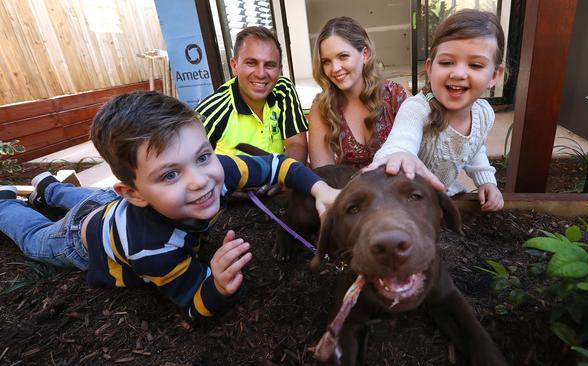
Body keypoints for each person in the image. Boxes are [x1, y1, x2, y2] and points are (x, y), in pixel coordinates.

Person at [0, 91, 338, 318]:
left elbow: (280, 165)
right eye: (171, 174)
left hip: (105, 205)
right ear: (133, 192)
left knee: (85, 198)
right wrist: (217, 286)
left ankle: (46, 185)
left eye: (203, 156)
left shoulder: (215, 172)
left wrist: (321, 189)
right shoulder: (151, 247)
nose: (199, 180)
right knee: (35, 238)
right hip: (79, 239)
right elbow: (193, 302)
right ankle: (6, 204)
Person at [369, 9, 505, 211]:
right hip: (398, 205)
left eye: (475, 65)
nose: (458, 73)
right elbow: (402, 139)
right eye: (447, 62)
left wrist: (486, 181)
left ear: (494, 75)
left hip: (437, 199)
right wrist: (400, 153)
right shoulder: (417, 109)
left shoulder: (484, 114)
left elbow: (474, 148)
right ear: (431, 67)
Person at [308, 16, 409, 168]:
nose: (335, 68)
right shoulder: (322, 107)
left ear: (365, 55)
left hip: (395, 188)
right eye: (326, 62)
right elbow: (324, 174)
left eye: (343, 56)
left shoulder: (395, 95)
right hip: (345, 190)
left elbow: (417, 157)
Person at [195, 26, 308, 163]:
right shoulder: (211, 112)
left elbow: (296, 143)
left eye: (269, 65)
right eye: (251, 63)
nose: (261, 74)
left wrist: (287, 177)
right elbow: (189, 165)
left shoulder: (283, 89)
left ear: (280, 70)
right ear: (234, 66)